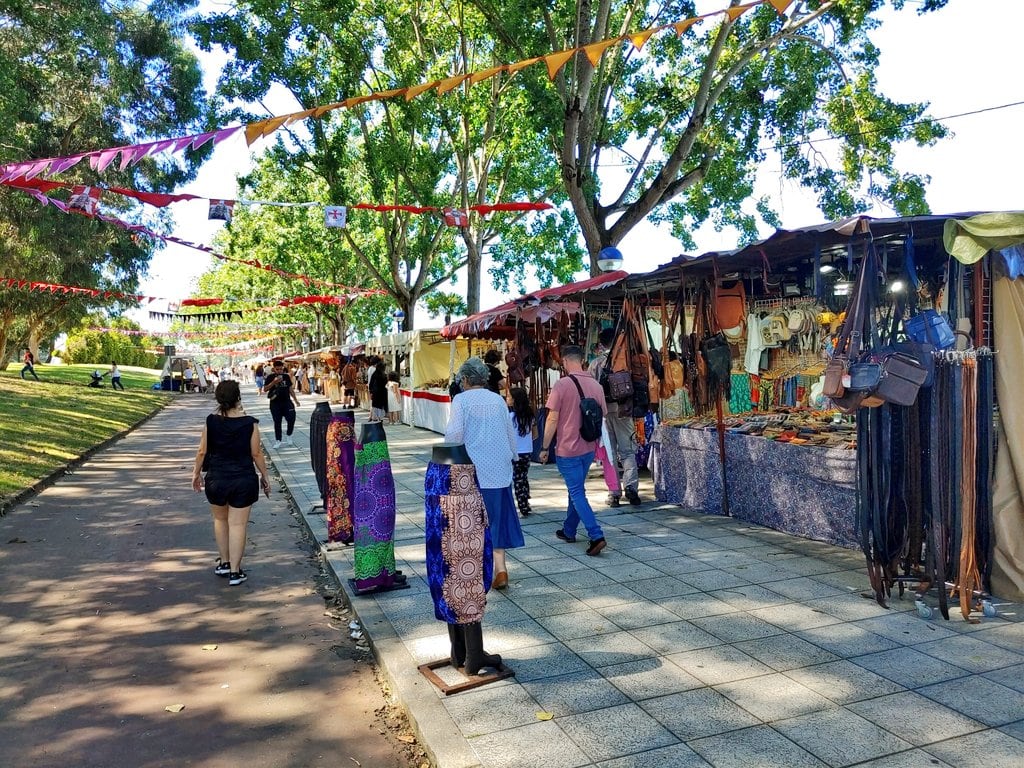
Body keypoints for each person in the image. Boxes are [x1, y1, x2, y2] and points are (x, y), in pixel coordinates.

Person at [444, 357, 522, 589]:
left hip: (473, 470)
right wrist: (514, 456)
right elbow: (509, 432)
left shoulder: (461, 400)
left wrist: (445, 461)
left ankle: (479, 570)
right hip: (499, 469)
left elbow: (454, 435)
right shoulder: (497, 400)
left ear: (466, 379)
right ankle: (501, 569)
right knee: (496, 519)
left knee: (474, 522)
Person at [191, 380, 271, 586]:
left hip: (216, 478)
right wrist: (265, 476)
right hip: (243, 479)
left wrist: (195, 473)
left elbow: (202, 451)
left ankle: (224, 562)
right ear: (238, 397)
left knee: (220, 521)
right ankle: (235, 572)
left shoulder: (210, 421)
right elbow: (256, 453)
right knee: (238, 524)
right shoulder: (250, 423)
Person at [539, 344, 609, 556]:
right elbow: (603, 414)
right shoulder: (596, 386)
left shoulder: (561, 385)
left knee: (577, 491)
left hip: (567, 448)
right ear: (582, 360)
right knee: (576, 488)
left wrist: (543, 447)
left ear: (565, 361)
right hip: (588, 447)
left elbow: (552, 418)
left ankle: (596, 535)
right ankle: (568, 530)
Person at [588, 327, 642, 506]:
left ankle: (614, 492)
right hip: (623, 410)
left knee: (609, 453)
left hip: (603, 412)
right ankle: (631, 487)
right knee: (627, 450)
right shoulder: (625, 361)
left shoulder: (595, 364)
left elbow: (590, 390)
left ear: (601, 344)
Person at [508, 387, 535, 517]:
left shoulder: (510, 417)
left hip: (515, 451)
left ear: (515, 400)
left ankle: (522, 504)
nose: (507, 399)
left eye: (509, 397)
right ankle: (525, 500)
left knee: (517, 478)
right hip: (527, 450)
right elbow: (535, 434)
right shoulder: (530, 415)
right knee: (523, 476)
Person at [262, 360, 301, 448]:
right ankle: (278, 440)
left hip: (287, 402)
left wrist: (296, 400)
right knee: (277, 422)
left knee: (291, 418)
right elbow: (265, 389)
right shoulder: (270, 377)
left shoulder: (286, 377)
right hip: (275, 403)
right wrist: (274, 382)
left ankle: (289, 435)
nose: (279, 371)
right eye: (277, 369)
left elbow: (290, 389)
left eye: (281, 369)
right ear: (274, 369)